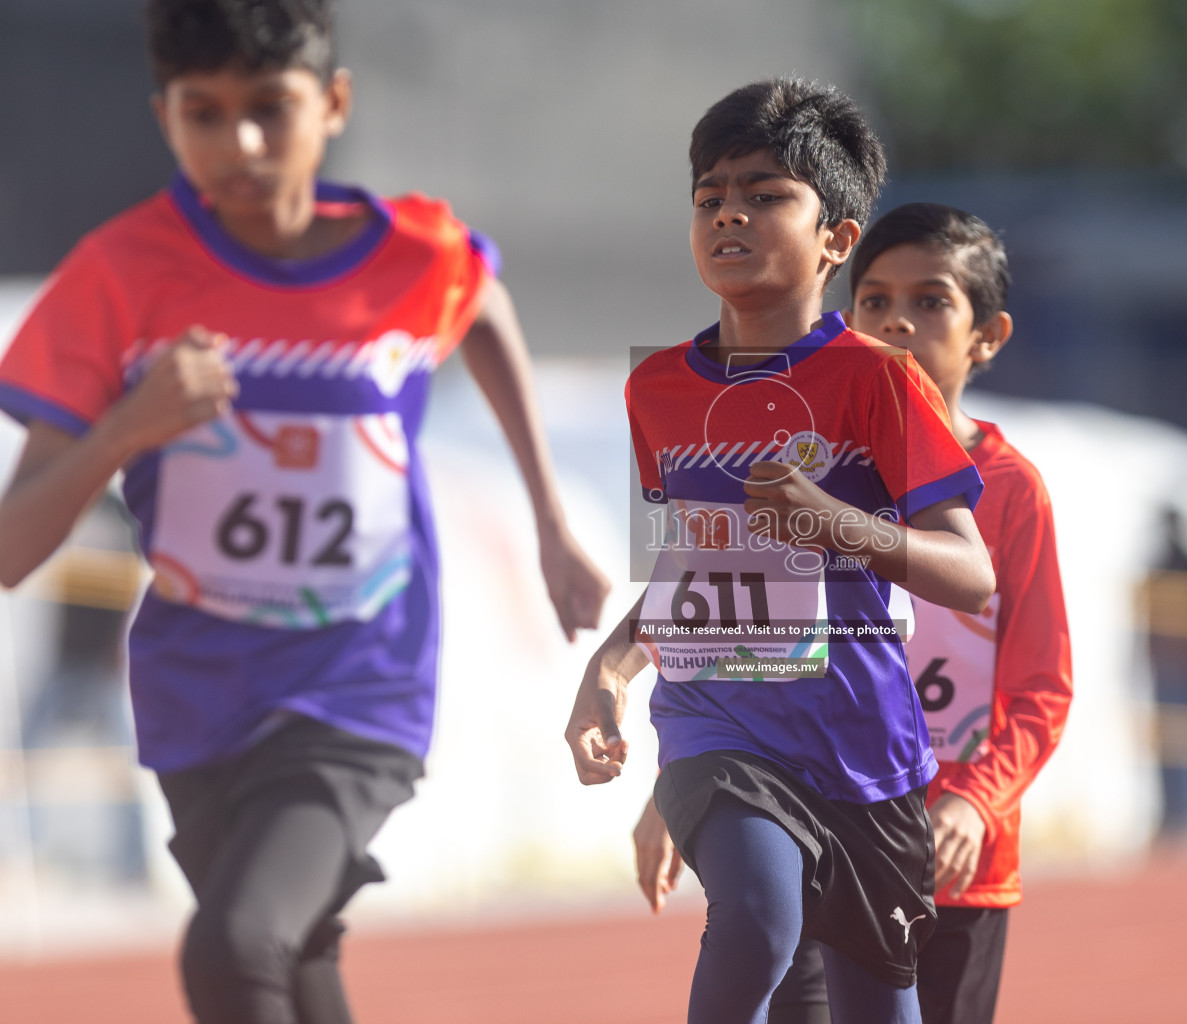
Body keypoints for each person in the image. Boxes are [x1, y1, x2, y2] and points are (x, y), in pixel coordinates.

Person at [0, 2, 609, 1021]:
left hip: (360, 682)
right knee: (291, 960)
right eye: (204, 113)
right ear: (165, 116)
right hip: (199, 696)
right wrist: (124, 429)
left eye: (270, 110)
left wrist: (550, 516)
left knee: (234, 949)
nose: (238, 144)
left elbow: (483, 301)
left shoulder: (412, 254)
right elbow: (15, 549)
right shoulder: (117, 276)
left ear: (332, 105)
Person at [565, 80, 995, 1024]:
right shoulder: (656, 389)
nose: (729, 212)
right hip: (718, 726)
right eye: (710, 194)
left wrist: (840, 524)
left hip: (863, 745)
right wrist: (610, 669)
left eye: (764, 194)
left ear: (837, 238)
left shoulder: (882, 383)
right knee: (757, 921)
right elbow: (680, 572)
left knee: (880, 1005)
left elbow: (972, 572)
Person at [630, 202, 1073, 1024]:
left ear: (988, 335)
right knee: (766, 938)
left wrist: (976, 800)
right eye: (875, 301)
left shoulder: (1011, 491)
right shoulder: (797, 457)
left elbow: (1043, 687)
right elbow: (718, 634)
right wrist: (672, 786)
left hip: (951, 844)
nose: (898, 322)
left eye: (931, 301)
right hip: (805, 793)